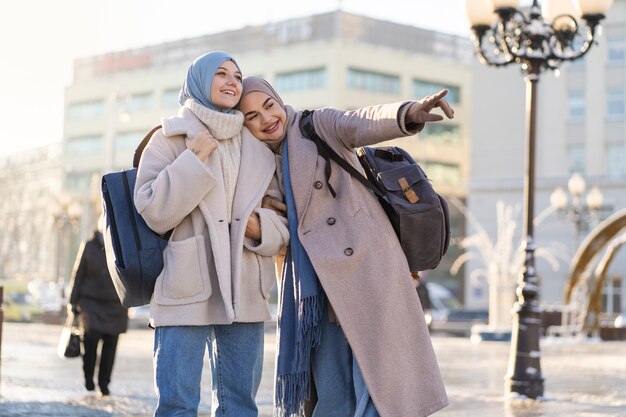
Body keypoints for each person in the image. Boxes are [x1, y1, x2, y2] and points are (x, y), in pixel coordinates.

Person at [237, 76, 454, 417]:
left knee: (380, 387)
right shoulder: (258, 167)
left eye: (268, 106)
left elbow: (360, 122)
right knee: (332, 392)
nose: (265, 119)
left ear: (279, 101)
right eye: (251, 116)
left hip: (367, 270)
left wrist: (408, 112)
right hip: (314, 293)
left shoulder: (316, 125)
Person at [134, 52, 289, 417]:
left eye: (237, 75)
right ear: (199, 82)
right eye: (221, 74)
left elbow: (284, 225)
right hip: (185, 285)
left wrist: (259, 227)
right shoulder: (168, 138)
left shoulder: (259, 150)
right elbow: (153, 211)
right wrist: (193, 160)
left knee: (240, 405)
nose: (232, 81)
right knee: (177, 406)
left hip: (245, 286)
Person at [68, 219, 129, 396]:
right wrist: (72, 302)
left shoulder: (122, 246)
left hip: (115, 305)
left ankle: (104, 383)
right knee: (90, 343)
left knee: (110, 346)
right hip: (90, 304)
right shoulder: (88, 246)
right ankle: (88, 378)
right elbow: (77, 275)